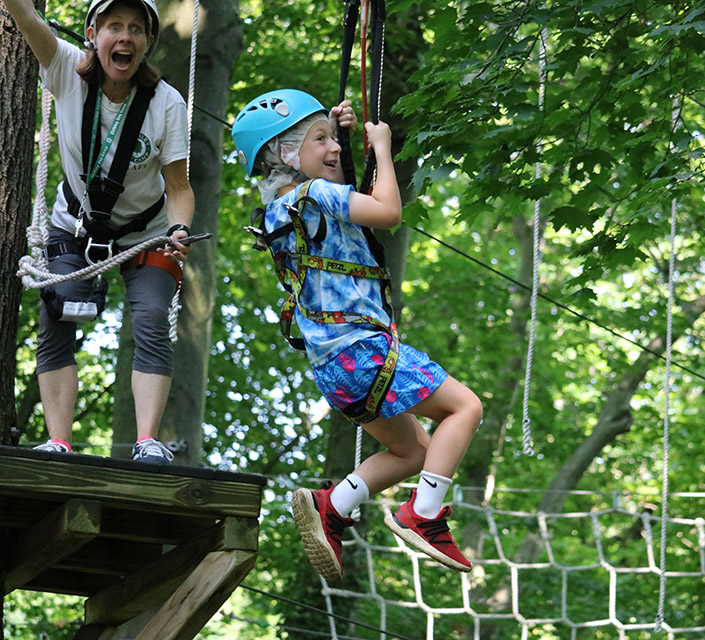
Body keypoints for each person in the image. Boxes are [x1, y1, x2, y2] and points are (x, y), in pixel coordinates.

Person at [231, 89, 483, 581]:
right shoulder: (315, 195)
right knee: (465, 407)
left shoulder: (284, 210)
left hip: (335, 370)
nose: (331, 148)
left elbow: (342, 197)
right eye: (318, 139)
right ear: (286, 154)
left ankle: (333, 505)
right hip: (363, 351)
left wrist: (339, 137)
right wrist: (382, 148)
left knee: (415, 452)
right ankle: (424, 515)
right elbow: (386, 212)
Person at [5, 0, 195, 463]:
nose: (124, 37)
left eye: (135, 28)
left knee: (152, 317)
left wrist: (179, 229)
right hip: (74, 223)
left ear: (148, 42)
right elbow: (27, 18)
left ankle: (147, 442)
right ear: (92, 32)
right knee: (57, 312)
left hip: (146, 232)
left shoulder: (167, 104)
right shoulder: (66, 68)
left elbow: (178, 186)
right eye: (114, 26)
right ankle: (58, 441)